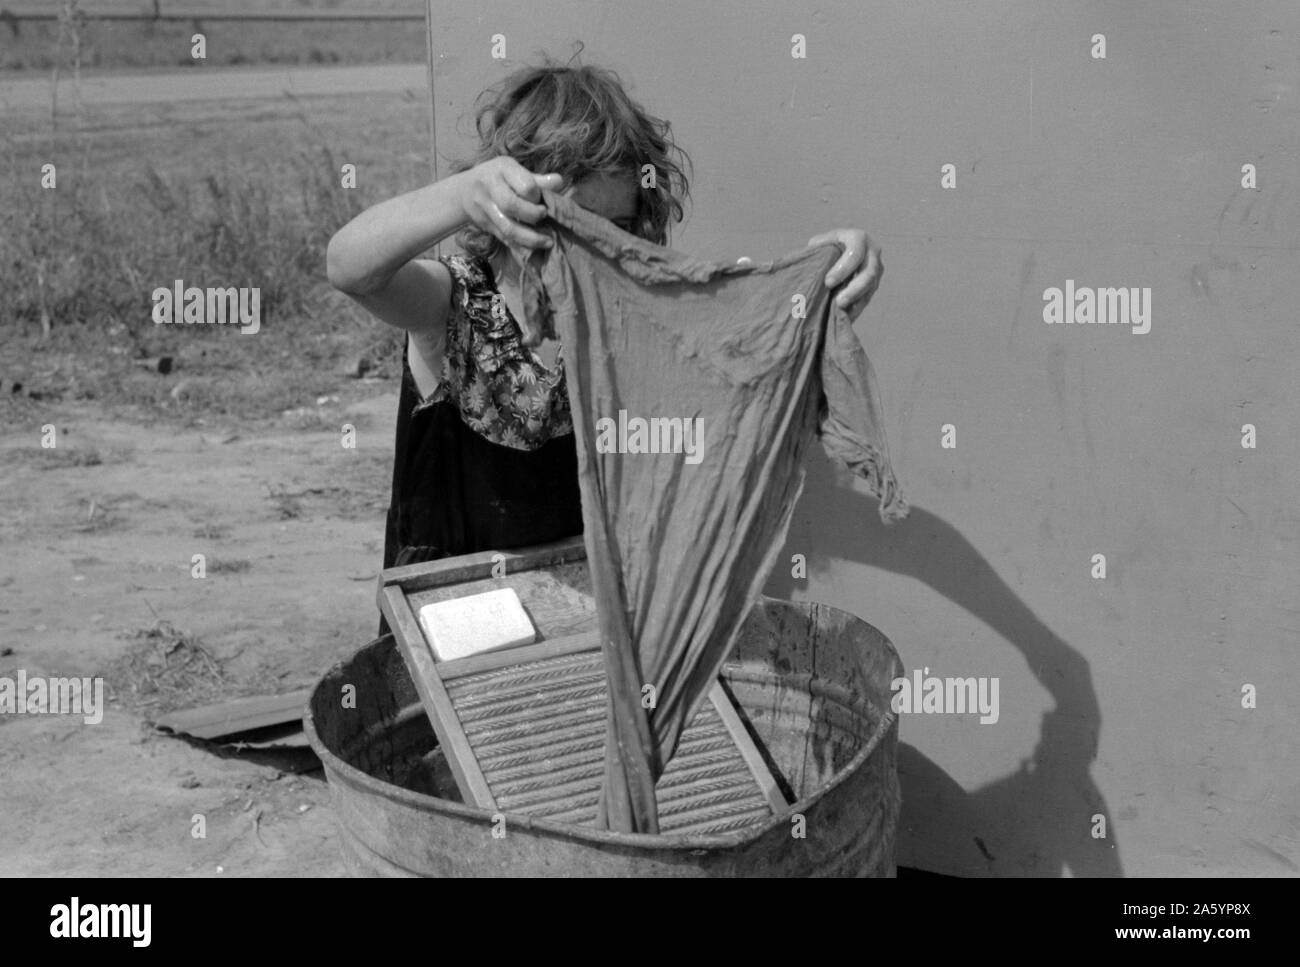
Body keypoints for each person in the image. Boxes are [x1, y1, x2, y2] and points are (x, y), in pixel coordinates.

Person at [325, 58, 884, 635]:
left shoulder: (637, 319)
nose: (590, 246)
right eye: (568, 221)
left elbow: (755, 351)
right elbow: (350, 268)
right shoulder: (452, 306)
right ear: (509, 206)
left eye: (613, 225)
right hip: (454, 632)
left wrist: (824, 286)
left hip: (583, 632)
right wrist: (461, 193)